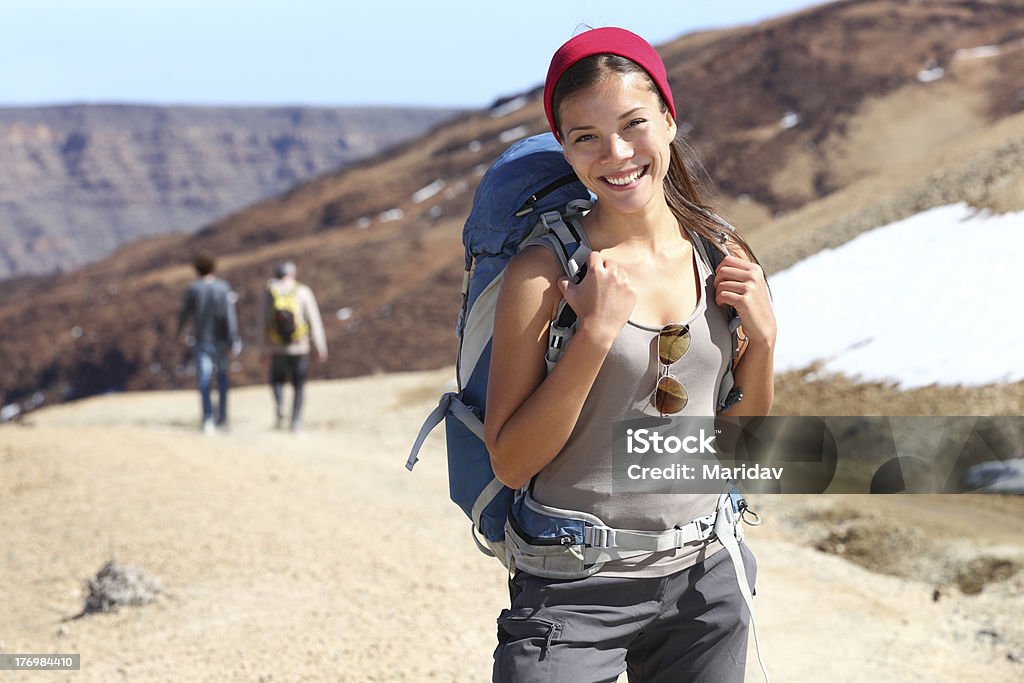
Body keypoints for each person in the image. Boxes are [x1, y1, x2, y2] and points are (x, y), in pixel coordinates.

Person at [483, 28, 776, 682]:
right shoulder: (545, 271)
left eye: (633, 124)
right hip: (572, 588)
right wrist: (593, 335)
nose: (615, 153)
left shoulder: (722, 255)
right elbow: (510, 459)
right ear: (563, 146)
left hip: (706, 582)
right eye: (585, 136)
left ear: (669, 121)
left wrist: (764, 342)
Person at [258, 260, 327, 433]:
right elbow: (314, 321)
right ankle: (296, 422)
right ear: (293, 274)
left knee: (277, 380)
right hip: (300, 346)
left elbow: (262, 323)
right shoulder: (303, 291)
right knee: (298, 384)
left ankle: (281, 405)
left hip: (277, 347)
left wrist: (263, 349)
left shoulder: (269, 293)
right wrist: (320, 347)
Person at [177, 252, 241, 434]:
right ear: (213, 267)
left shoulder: (192, 289)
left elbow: (184, 314)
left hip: (202, 339)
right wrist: (233, 338)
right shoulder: (223, 287)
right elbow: (230, 316)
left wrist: (180, 331)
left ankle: (207, 419)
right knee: (222, 378)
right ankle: (223, 418)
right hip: (221, 340)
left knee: (204, 379)